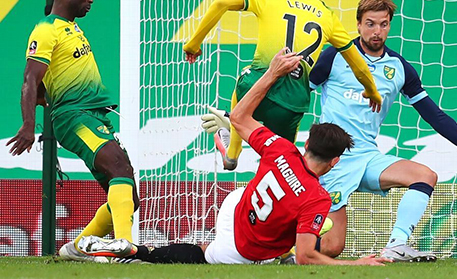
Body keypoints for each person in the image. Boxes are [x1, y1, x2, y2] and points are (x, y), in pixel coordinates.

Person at [77, 49, 391, 266]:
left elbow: (240, 115)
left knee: (270, 209)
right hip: (242, 246)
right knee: (202, 256)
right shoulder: (317, 198)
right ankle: (136, 250)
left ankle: (231, 152)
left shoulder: (282, 148)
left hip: (236, 204)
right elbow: (308, 256)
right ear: (335, 162)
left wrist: (271, 73)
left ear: (306, 143)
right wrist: (357, 262)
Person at [308, 0, 457, 262]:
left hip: (367, 156)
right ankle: (278, 249)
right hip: (332, 160)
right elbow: (300, 95)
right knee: (330, 248)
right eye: (370, 24)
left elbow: (435, 116)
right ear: (359, 24)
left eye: (383, 24)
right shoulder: (334, 56)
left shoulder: (399, 67)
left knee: (425, 175)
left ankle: (396, 245)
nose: (377, 32)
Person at [183, 0, 382, 171]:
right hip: (291, 101)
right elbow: (357, 64)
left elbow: (221, 2)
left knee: (244, 78)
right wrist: (372, 91)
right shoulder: (328, 15)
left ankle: (232, 152)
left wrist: (193, 45)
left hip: (256, 87)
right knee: (281, 161)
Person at [6, 0, 139, 261]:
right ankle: (126, 250)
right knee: (118, 166)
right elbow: (30, 78)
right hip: (74, 117)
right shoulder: (46, 29)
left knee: (129, 195)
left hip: (93, 115)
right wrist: (29, 124)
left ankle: (76, 249)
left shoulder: (72, 29)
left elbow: (42, 85)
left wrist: (43, 95)